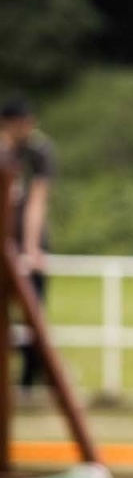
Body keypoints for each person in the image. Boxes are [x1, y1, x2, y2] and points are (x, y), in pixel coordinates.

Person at [0, 96, 56, 392]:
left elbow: (37, 200)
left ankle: (29, 380)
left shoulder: (38, 150)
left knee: (34, 312)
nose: (28, 127)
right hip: (4, 238)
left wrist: (31, 248)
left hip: (26, 241)